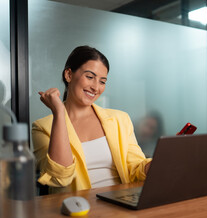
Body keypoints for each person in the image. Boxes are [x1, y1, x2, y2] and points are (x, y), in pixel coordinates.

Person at [32, 46, 151, 194]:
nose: (96, 87)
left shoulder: (120, 119)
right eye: (89, 77)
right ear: (68, 75)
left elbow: (135, 168)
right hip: (76, 209)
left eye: (102, 81)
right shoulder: (42, 127)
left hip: (121, 204)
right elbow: (59, 178)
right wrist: (59, 113)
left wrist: (155, 165)